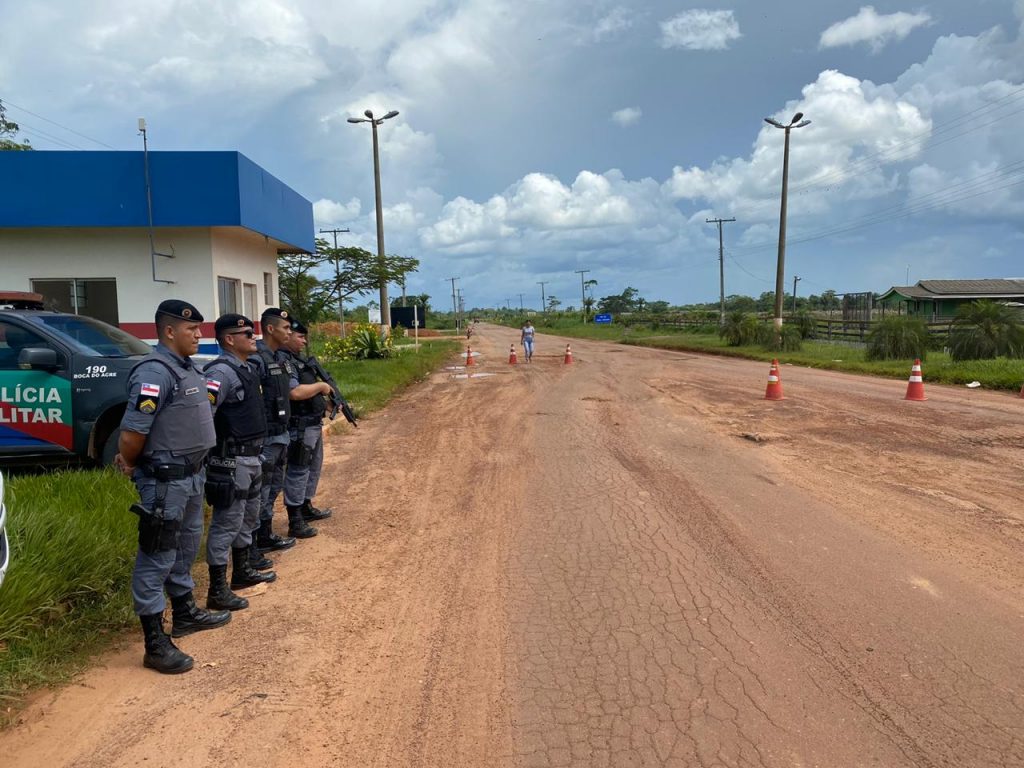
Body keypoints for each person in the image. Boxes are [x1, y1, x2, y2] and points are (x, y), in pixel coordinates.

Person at [115, 299, 230, 675]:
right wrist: (130, 462)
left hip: (192, 475)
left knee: (185, 547)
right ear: (168, 331)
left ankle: (185, 613)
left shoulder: (187, 367)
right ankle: (154, 642)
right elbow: (133, 433)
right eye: (191, 329)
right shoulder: (154, 372)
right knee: (157, 554)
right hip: (165, 480)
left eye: (199, 328)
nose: (198, 334)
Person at [203, 314, 275, 614]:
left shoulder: (246, 368)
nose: (253, 337)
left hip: (252, 456)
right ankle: (217, 589)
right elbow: (204, 414)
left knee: (247, 517)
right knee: (227, 522)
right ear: (229, 339)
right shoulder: (221, 372)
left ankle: (242, 571)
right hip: (232, 459)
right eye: (246, 334)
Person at [252, 307, 308, 549]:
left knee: (273, 487)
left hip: (281, 434)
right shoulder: (256, 359)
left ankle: (265, 534)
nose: (289, 332)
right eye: (285, 328)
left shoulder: (280, 358)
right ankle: (254, 542)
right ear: (270, 328)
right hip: (265, 438)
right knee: (260, 490)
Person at [281, 318, 334, 525]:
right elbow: (294, 392)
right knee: (299, 468)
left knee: (313, 466)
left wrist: (326, 404)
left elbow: (308, 392)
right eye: (300, 336)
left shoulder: (300, 361)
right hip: (299, 425)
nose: (304, 341)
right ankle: (295, 517)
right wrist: (321, 387)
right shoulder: (284, 361)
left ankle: (306, 505)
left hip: (313, 423)